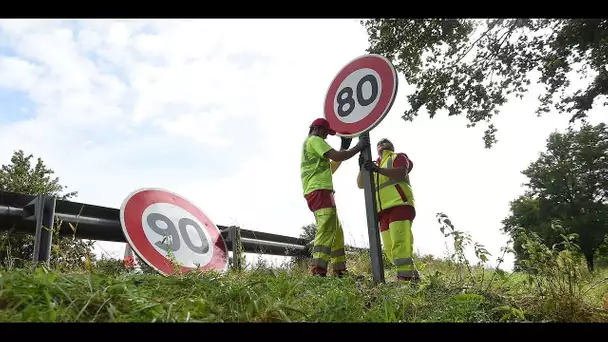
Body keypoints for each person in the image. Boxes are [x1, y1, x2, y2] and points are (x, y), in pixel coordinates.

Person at [301, 118, 369, 277]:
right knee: (326, 228)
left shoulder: (311, 146)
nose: (326, 137)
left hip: (318, 190)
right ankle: (318, 271)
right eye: (326, 132)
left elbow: (331, 165)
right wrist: (358, 147)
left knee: (336, 231)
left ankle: (340, 271)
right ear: (316, 129)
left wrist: (344, 148)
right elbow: (337, 156)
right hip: (319, 190)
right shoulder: (314, 140)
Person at [357, 138, 418, 281]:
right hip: (382, 210)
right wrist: (362, 168)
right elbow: (361, 184)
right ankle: (412, 274)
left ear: (392, 146)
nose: (382, 142)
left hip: (399, 204)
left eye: (386, 141)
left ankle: (405, 280)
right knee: (390, 248)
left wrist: (378, 169)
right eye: (380, 142)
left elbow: (401, 173)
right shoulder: (374, 165)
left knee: (400, 242)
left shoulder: (398, 157)